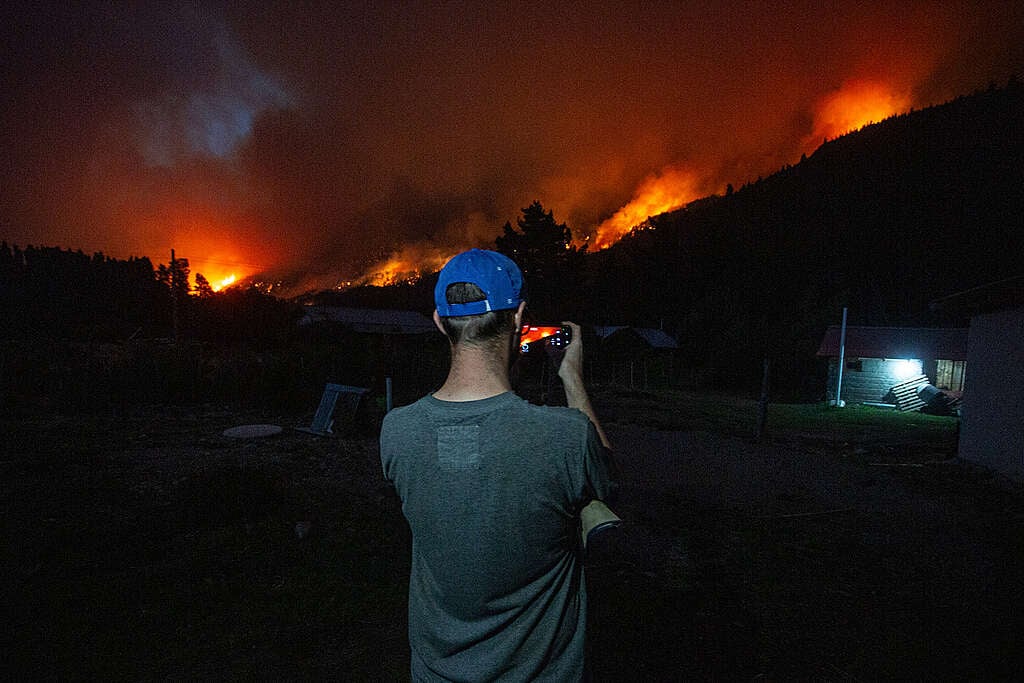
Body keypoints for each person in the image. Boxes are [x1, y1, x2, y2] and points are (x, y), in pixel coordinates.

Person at [380, 248, 620, 681]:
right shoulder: (565, 436)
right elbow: (608, 480)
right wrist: (570, 375)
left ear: (439, 321)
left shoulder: (396, 431)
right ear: (519, 317)